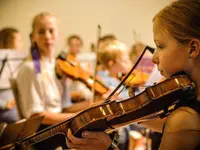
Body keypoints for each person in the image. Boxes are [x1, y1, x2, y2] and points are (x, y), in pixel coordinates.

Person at [67, 0, 200, 149]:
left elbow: (177, 125)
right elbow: (165, 124)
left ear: (192, 48)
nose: (154, 58)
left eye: (160, 46)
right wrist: (128, 115)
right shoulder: (189, 103)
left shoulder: (184, 119)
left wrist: (107, 148)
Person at [14, 12, 89, 149]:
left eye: (51, 31)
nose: (47, 36)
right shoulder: (30, 68)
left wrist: (93, 104)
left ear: (58, 34)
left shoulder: (59, 65)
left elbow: (64, 107)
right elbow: (37, 115)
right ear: (33, 37)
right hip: (41, 133)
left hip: (59, 123)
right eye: (41, 32)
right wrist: (77, 116)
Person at [0, 27, 23, 123]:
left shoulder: (18, 61)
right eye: (19, 40)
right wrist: (4, 104)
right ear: (9, 42)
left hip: (15, 105)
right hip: (5, 109)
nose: (22, 44)